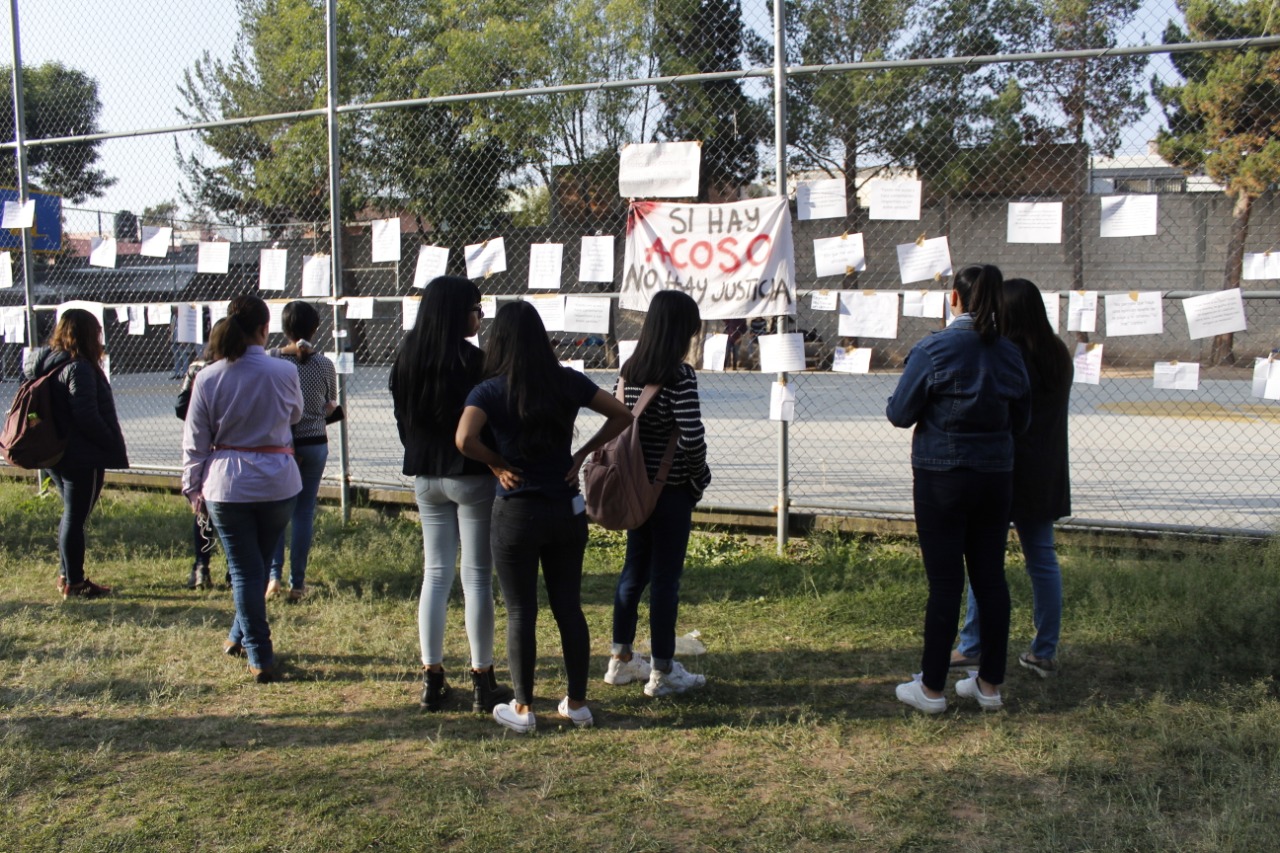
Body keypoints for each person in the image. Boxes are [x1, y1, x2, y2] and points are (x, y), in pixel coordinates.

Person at [456, 300, 632, 733]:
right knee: (569, 607)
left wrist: (497, 463)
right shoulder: (567, 381)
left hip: (516, 512)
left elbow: (463, 438)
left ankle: (523, 708)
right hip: (565, 508)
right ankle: (577, 703)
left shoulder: (490, 389)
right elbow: (623, 414)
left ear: (498, 342)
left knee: (520, 611)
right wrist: (583, 453)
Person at [885, 264, 1030, 713]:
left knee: (945, 582)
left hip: (941, 478)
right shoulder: (1010, 353)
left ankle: (931, 689)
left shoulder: (934, 349)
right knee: (991, 577)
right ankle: (989, 685)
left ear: (954, 298)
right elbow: (1021, 421)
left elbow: (899, 413)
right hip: (995, 477)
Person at [390, 276, 513, 714]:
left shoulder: (406, 356)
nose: (479, 316)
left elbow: (403, 422)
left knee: (436, 574)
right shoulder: (475, 361)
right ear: (456, 311)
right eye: (475, 308)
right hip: (472, 475)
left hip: (426, 475)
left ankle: (432, 678)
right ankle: (483, 679)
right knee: (476, 576)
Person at [952, 277, 1072, 678]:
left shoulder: (1007, 354)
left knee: (985, 558)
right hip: (1047, 468)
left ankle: (972, 644)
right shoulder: (1057, 353)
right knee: (1042, 557)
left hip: (1003, 468)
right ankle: (1044, 650)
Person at [183, 295, 302, 684]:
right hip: (277, 481)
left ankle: (254, 649)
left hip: (227, 485)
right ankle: (251, 645)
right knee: (254, 566)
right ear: (265, 329)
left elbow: (195, 441)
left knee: (246, 570)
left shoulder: (208, 376)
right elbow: (296, 414)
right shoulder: (284, 371)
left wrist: (192, 488)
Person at [605, 290, 713, 697]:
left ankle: (621, 659)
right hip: (669, 492)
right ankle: (663, 671)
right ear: (682, 330)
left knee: (633, 572)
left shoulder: (630, 369)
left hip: (634, 487)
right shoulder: (679, 375)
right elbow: (691, 437)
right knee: (666, 580)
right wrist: (699, 477)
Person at [26, 308, 129, 599]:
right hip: (81, 455)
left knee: (71, 514)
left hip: (53, 452)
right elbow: (86, 415)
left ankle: (66, 575)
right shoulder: (79, 367)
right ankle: (75, 582)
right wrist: (109, 440)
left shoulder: (44, 362)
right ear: (88, 335)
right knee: (75, 516)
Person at [266, 301, 337, 602]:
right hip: (315, 441)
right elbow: (330, 405)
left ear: (283, 329)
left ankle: (272, 578)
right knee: (304, 511)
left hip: (282, 444)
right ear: (315, 328)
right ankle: (298, 583)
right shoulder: (325, 364)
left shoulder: (272, 360)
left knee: (276, 512)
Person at [175, 331, 222, 590]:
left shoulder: (197, 367)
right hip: (227, 443)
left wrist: (197, 420)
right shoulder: (233, 368)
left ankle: (201, 566)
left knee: (202, 509)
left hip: (200, 442)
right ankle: (230, 572)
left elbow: (180, 406)